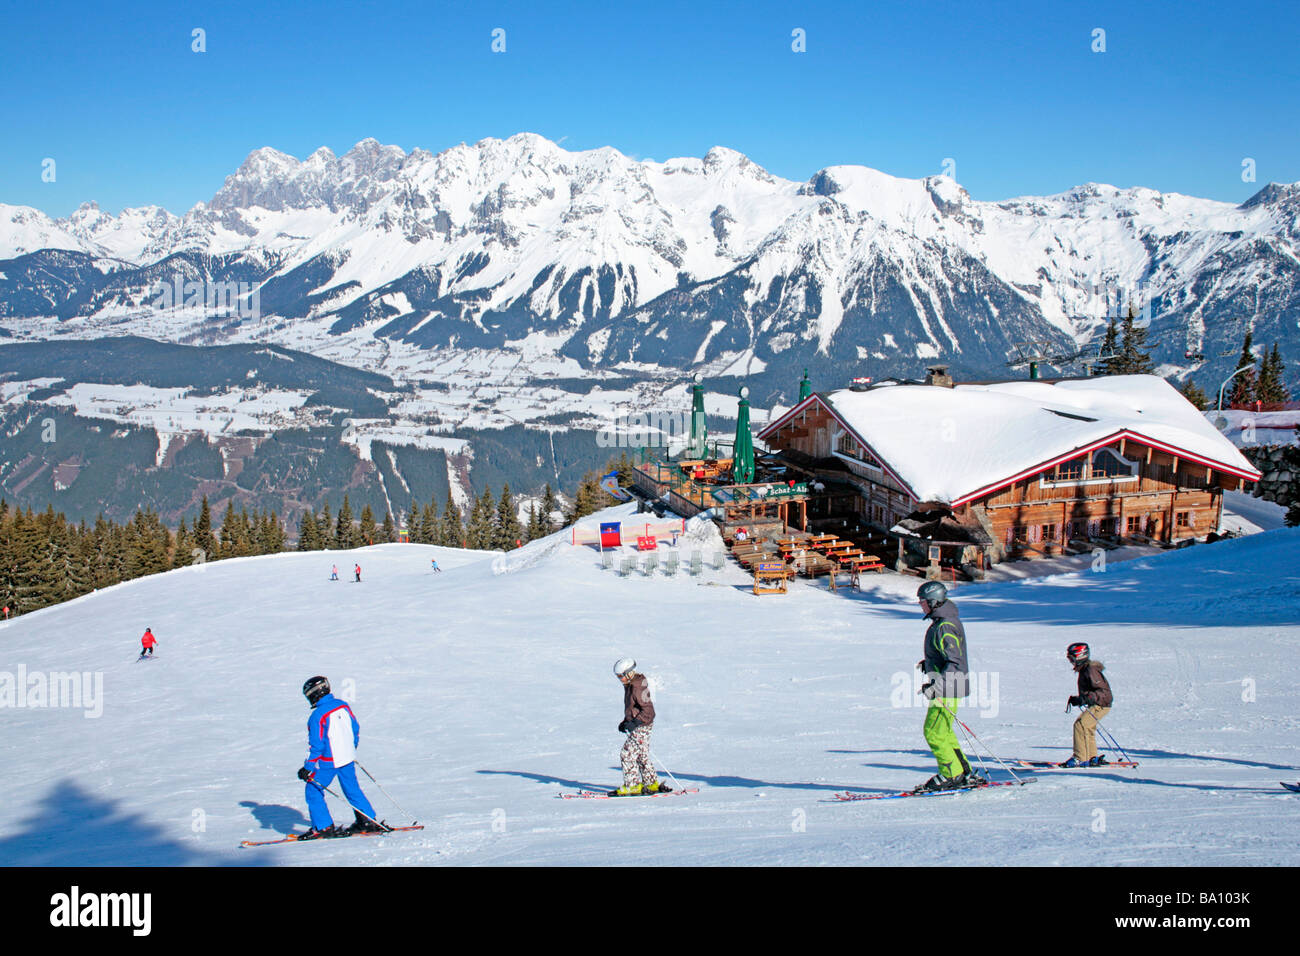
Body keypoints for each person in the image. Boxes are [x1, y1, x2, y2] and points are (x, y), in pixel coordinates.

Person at [296, 676, 387, 839]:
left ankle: (323, 827)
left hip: (328, 762)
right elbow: (355, 728)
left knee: (313, 789)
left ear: (313, 694)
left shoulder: (317, 716)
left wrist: (307, 768)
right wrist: (351, 748)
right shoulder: (343, 705)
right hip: (347, 757)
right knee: (351, 788)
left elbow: (316, 746)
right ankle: (366, 820)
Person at [914, 581, 982, 791]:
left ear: (934, 601)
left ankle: (950, 774)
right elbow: (948, 656)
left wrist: (937, 687)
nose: (920, 605)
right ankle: (963, 771)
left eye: (923, 601)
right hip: (950, 685)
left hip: (949, 687)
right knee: (944, 731)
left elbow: (954, 661)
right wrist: (931, 663)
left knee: (933, 731)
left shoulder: (945, 625)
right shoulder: (943, 622)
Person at [613, 659, 666, 796]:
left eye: (621, 676)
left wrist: (635, 722)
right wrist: (626, 721)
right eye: (617, 676)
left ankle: (632, 786)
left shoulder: (637, 687)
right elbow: (633, 707)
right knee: (641, 755)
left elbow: (649, 711)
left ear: (629, 673)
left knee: (627, 753)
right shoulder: (630, 685)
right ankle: (651, 783)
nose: (620, 679)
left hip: (642, 725)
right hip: (640, 724)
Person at [1063, 643, 1113, 767]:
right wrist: (1080, 699)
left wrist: (1087, 698)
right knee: (1087, 727)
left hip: (1101, 704)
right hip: (1098, 703)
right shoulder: (1086, 669)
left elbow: (1102, 691)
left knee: (1080, 725)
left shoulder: (1090, 670)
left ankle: (1080, 758)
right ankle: (1091, 757)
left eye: (1071, 658)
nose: (1070, 661)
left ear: (1079, 656)